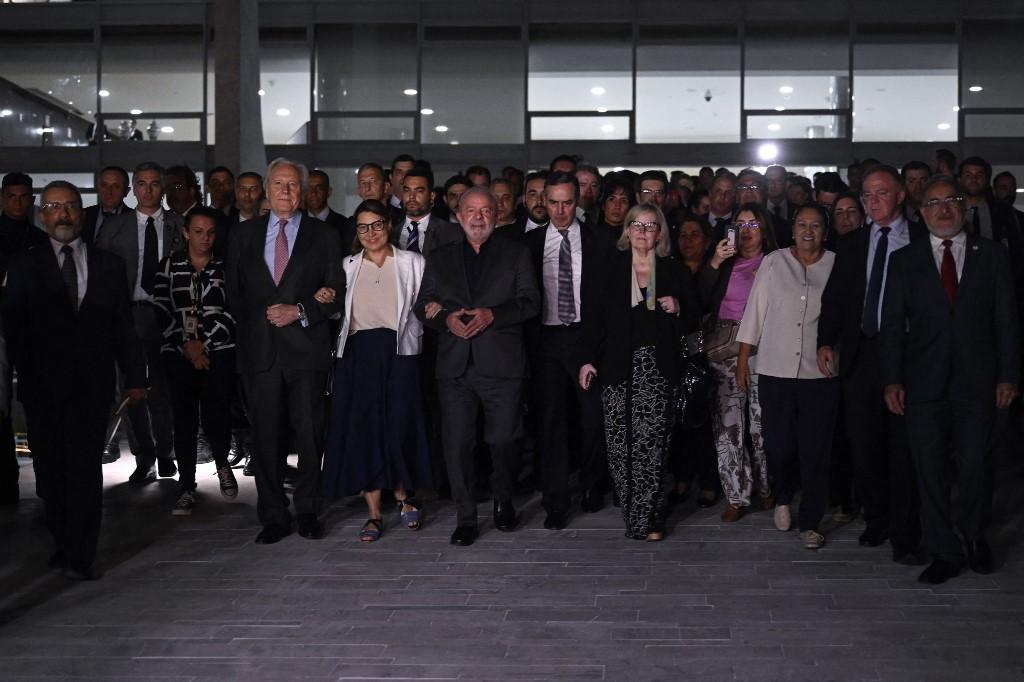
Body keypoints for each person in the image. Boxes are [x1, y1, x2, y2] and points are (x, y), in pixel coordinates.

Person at [3, 180, 146, 579]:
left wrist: (136, 377)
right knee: (50, 473)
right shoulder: (24, 265)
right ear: (42, 214)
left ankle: (82, 552)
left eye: (70, 206)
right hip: (41, 388)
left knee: (84, 469)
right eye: (54, 206)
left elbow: (123, 328)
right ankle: (62, 541)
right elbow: (13, 329)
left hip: (91, 386)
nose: (63, 214)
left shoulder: (108, 265)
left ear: (81, 214)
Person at [880, 175, 1020, 584]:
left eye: (951, 201)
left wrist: (1009, 374)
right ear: (921, 213)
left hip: (980, 382)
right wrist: (891, 380)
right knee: (930, 469)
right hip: (923, 384)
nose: (944, 209)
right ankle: (944, 550)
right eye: (934, 203)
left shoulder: (992, 256)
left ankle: (975, 537)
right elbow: (891, 326)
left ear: (963, 206)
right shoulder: (904, 261)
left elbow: (1007, 321)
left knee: (977, 465)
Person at [226, 157, 345, 544]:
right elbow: (233, 294)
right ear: (266, 187)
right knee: (265, 438)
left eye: (293, 185)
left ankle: (309, 510)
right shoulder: (243, 235)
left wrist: (300, 310)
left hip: (307, 351)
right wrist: (265, 316)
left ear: (304, 191)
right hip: (260, 353)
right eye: (278, 184)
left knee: (310, 435)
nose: (285, 191)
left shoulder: (324, 235)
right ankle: (274, 515)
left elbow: (336, 294)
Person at [413, 186, 540, 547]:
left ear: (497, 215)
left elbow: (531, 302)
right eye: (471, 210)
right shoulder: (439, 257)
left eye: (486, 211)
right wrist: (445, 321)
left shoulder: (516, 253)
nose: (479, 217)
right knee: (457, 446)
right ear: (458, 215)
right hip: (455, 367)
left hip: (502, 365)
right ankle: (466, 517)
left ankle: (502, 502)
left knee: (504, 442)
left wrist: (493, 315)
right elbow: (422, 305)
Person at [818, 164, 927, 565]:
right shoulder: (852, 243)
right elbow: (836, 299)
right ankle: (876, 519)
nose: (873, 201)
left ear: (900, 195)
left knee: (904, 447)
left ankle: (906, 531)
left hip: (908, 358)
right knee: (865, 446)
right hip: (861, 356)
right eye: (867, 195)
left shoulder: (922, 238)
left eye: (882, 193)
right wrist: (826, 340)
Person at [578, 202, 698, 541]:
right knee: (619, 445)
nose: (643, 232)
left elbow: (693, 316)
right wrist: (587, 359)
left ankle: (648, 518)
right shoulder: (608, 269)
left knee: (652, 444)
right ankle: (635, 510)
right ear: (626, 230)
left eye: (650, 226)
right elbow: (593, 320)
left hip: (657, 368)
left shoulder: (674, 271)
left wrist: (678, 307)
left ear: (659, 233)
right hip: (616, 366)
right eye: (636, 225)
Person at [320, 199, 433, 542]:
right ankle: (372, 514)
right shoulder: (348, 265)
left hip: (400, 354)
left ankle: (402, 496)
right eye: (363, 227)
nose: (370, 233)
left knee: (397, 425)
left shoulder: (413, 262)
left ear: (389, 225)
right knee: (364, 430)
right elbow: (338, 309)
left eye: (377, 225)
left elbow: (425, 305)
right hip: (358, 355)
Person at [736, 204, 838, 549]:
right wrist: (743, 360)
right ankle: (782, 497)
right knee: (779, 445)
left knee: (816, 450)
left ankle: (810, 520)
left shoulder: (836, 265)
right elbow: (755, 311)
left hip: (819, 374)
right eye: (802, 224)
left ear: (826, 230)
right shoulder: (774, 262)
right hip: (775, 369)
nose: (809, 231)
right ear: (792, 228)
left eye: (816, 225)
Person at [524, 172, 611, 529]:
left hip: (585, 338)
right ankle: (555, 501)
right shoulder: (528, 244)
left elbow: (607, 299)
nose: (560, 211)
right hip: (545, 341)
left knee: (592, 419)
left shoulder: (599, 241)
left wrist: (597, 346)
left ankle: (592, 485)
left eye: (567, 202)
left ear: (579, 201)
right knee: (550, 423)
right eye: (554, 202)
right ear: (544, 200)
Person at [97, 162, 184, 485]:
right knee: (131, 389)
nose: (148, 190)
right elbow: (101, 274)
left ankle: (166, 454)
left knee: (164, 388)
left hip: (166, 314)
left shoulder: (179, 224)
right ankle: (143, 455)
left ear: (162, 188)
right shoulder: (115, 228)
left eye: (154, 184)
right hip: (127, 314)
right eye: (142, 184)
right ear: (133, 189)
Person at [153, 206, 238, 516]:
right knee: (184, 419)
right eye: (199, 231)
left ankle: (223, 466)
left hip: (219, 351)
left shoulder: (225, 267)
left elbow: (232, 311)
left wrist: (205, 344)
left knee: (218, 413)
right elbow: (162, 310)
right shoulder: (168, 266)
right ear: (186, 232)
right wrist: (186, 344)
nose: (205, 238)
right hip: (178, 354)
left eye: (211, 232)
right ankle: (186, 484)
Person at [698, 202, 777, 523]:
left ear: (765, 230)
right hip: (725, 353)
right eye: (740, 224)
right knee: (728, 428)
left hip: (764, 352)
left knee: (763, 428)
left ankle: (768, 488)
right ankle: (736, 495)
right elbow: (699, 300)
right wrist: (715, 261)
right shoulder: (724, 264)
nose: (746, 231)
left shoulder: (775, 262)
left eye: (753, 224)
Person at [0, 172, 47, 505]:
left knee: (36, 403)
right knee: (1, 407)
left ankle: (45, 480)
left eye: (23, 196)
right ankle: (6, 480)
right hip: (1, 328)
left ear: (31, 199)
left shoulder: (39, 239)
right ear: (3, 198)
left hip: (32, 330)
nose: (18, 202)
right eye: (12, 196)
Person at [670, 215, 721, 508]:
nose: (688, 240)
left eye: (695, 234)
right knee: (678, 418)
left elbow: (702, 306)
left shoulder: (717, 269)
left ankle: (708, 481)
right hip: (675, 351)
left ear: (708, 240)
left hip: (709, 352)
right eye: (683, 235)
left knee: (703, 420)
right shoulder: (669, 269)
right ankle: (681, 477)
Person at [394, 167, 462, 256]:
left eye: (419, 191)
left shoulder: (452, 232)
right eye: (407, 190)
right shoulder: (390, 233)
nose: (411, 196)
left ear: (432, 196)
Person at [82, 166, 131, 244]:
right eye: (104, 185)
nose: (109, 192)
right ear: (98, 188)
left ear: (126, 191)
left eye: (116, 187)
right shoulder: (82, 215)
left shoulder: (135, 220)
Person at [595, 175, 636, 247]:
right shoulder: (590, 235)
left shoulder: (635, 237)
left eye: (623, 201)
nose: (617, 206)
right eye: (612, 199)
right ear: (603, 205)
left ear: (630, 208)